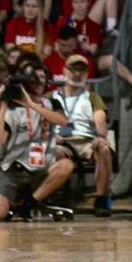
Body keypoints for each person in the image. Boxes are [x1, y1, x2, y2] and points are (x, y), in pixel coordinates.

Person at [0, 72, 74, 222]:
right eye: (33, 79)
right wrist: (3, 105)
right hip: (12, 172)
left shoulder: (52, 103)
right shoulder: (11, 110)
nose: (38, 82)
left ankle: (28, 204)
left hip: (40, 169)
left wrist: (31, 104)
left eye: (41, 78)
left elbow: (63, 122)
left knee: (65, 164)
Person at [51, 55, 114, 216]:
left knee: (104, 149)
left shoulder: (92, 97)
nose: (78, 74)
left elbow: (100, 117)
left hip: (85, 141)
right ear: (65, 71)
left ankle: (101, 200)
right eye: (74, 70)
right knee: (53, 151)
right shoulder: (51, 97)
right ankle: (55, 197)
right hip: (61, 141)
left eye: (82, 70)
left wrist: (100, 136)